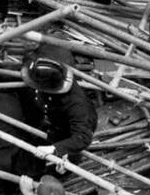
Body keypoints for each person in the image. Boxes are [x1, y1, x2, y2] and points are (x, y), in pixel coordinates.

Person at [19, 41, 96, 177]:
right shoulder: (42, 62)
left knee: (60, 168)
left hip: (66, 130)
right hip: (48, 117)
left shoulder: (76, 105)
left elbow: (83, 137)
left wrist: (54, 148)